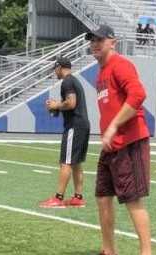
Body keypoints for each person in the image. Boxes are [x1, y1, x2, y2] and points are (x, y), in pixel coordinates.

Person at [82, 25, 156, 255]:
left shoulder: (121, 65)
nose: (95, 43)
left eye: (99, 39)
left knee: (133, 199)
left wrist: (114, 125)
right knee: (103, 197)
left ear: (112, 41)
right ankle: (109, 253)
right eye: (92, 40)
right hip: (111, 145)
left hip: (130, 141)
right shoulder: (100, 72)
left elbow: (138, 94)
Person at [39, 56, 90, 208]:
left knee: (66, 162)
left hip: (74, 125)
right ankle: (78, 197)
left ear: (59, 67)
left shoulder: (67, 81)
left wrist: (56, 105)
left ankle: (58, 197)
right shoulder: (74, 81)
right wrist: (58, 106)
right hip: (83, 124)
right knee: (76, 163)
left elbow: (71, 103)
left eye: (55, 69)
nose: (54, 72)